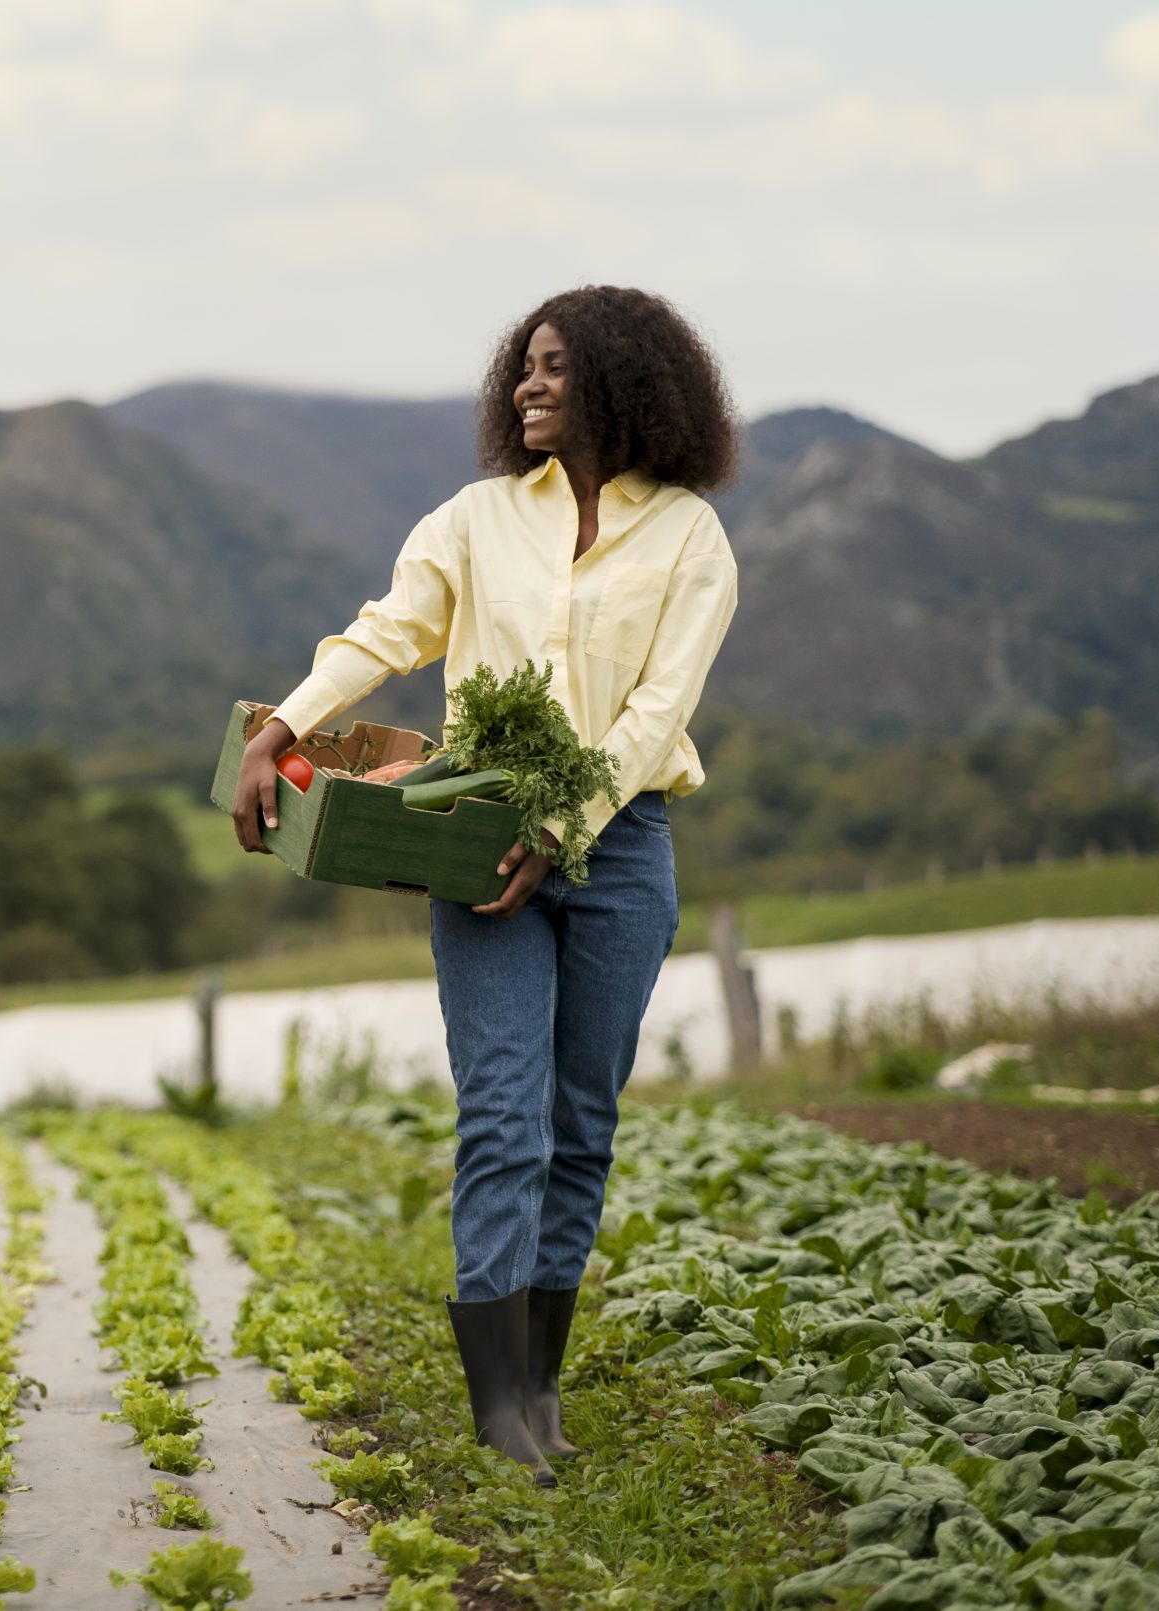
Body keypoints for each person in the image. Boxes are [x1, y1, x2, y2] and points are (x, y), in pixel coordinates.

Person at [231, 286, 740, 1487]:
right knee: (503, 1118)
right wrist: (280, 725)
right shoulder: (471, 520)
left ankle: (542, 1382)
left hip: (619, 848)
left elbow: (658, 707)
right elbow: (386, 632)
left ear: (622, 380)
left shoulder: (688, 539)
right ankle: (494, 1405)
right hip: (475, 836)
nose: (526, 386)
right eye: (522, 366)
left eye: (553, 367)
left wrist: (562, 826)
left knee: (581, 1126)